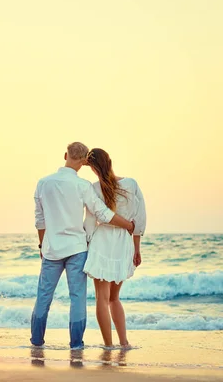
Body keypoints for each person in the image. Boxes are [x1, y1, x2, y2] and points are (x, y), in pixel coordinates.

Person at [31, 142, 135, 349]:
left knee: (43, 296)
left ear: (65, 155)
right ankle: (76, 345)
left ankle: (36, 342)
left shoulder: (43, 183)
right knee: (77, 298)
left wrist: (43, 244)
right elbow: (102, 214)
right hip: (77, 249)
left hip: (51, 249)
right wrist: (128, 225)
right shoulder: (83, 185)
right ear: (84, 162)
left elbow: (40, 219)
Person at [83, 148, 147, 348]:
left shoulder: (94, 188)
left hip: (102, 241)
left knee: (101, 299)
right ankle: (124, 342)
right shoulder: (131, 184)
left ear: (92, 168)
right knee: (114, 298)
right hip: (122, 242)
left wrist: (86, 245)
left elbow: (91, 223)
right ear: (110, 161)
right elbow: (140, 219)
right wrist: (137, 248)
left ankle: (108, 345)